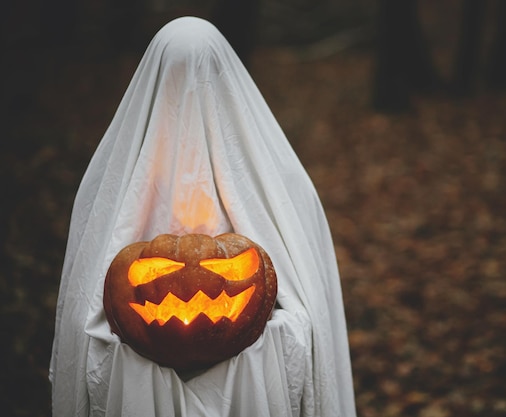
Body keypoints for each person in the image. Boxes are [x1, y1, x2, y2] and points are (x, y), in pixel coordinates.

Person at [49, 16, 356, 417]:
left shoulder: (283, 184)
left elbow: (308, 310)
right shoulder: (108, 187)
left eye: (201, 75)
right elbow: (83, 315)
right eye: (176, 75)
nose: (190, 91)